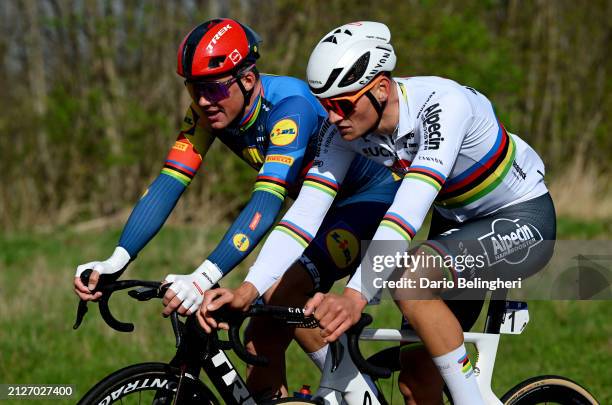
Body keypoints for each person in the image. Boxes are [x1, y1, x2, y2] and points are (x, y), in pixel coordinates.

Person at [198, 21, 556, 404]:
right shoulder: (346, 130)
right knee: (416, 385)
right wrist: (248, 290)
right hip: (457, 224)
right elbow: (304, 214)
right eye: (325, 106)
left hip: (522, 218)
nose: (332, 118)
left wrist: (354, 297)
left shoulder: (442, 106)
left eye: (342, 105)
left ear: (381, 89)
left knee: (409, 278)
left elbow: (405, 212)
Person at [73, 18, 400, 399]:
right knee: (260, 338)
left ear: (247, 78)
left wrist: (203, 277)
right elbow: (168, 184)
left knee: (282, 289)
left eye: (213, 89)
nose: (204, 101)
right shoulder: (207, 113)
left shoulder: (289, 107)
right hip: (317, 209)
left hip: (369, 202)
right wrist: (117, 259)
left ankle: (359, 394)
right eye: (195, 90)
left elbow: (266, 200)